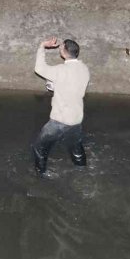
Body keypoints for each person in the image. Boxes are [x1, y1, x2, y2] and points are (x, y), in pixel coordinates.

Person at [32, 37, 90, 175]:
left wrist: (42, 46)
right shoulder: (84, 69)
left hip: (59, 121)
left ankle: (40, 175)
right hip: (76, 120)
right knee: (75, 147)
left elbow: (39, 68)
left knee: (39, 147)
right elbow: (72, 85)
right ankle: (82, 169)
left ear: (63, 52)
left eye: (60, 48)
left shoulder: (60, 70)